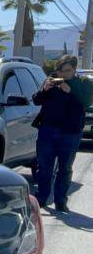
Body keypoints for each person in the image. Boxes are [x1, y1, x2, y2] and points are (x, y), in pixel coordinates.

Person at [33, 55, 93, 213]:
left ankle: (60, 202)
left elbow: (86, 103)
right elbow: (36, 100)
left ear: (74, 69)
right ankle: (41, 198)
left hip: (70, 133)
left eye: (66, 70)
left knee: (64, 168)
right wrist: (45, 89)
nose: (62, 74)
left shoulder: (84, 83)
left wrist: (70, 91)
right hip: (48, 130)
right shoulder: (52, 79)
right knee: (44, 166)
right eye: (60, 70)